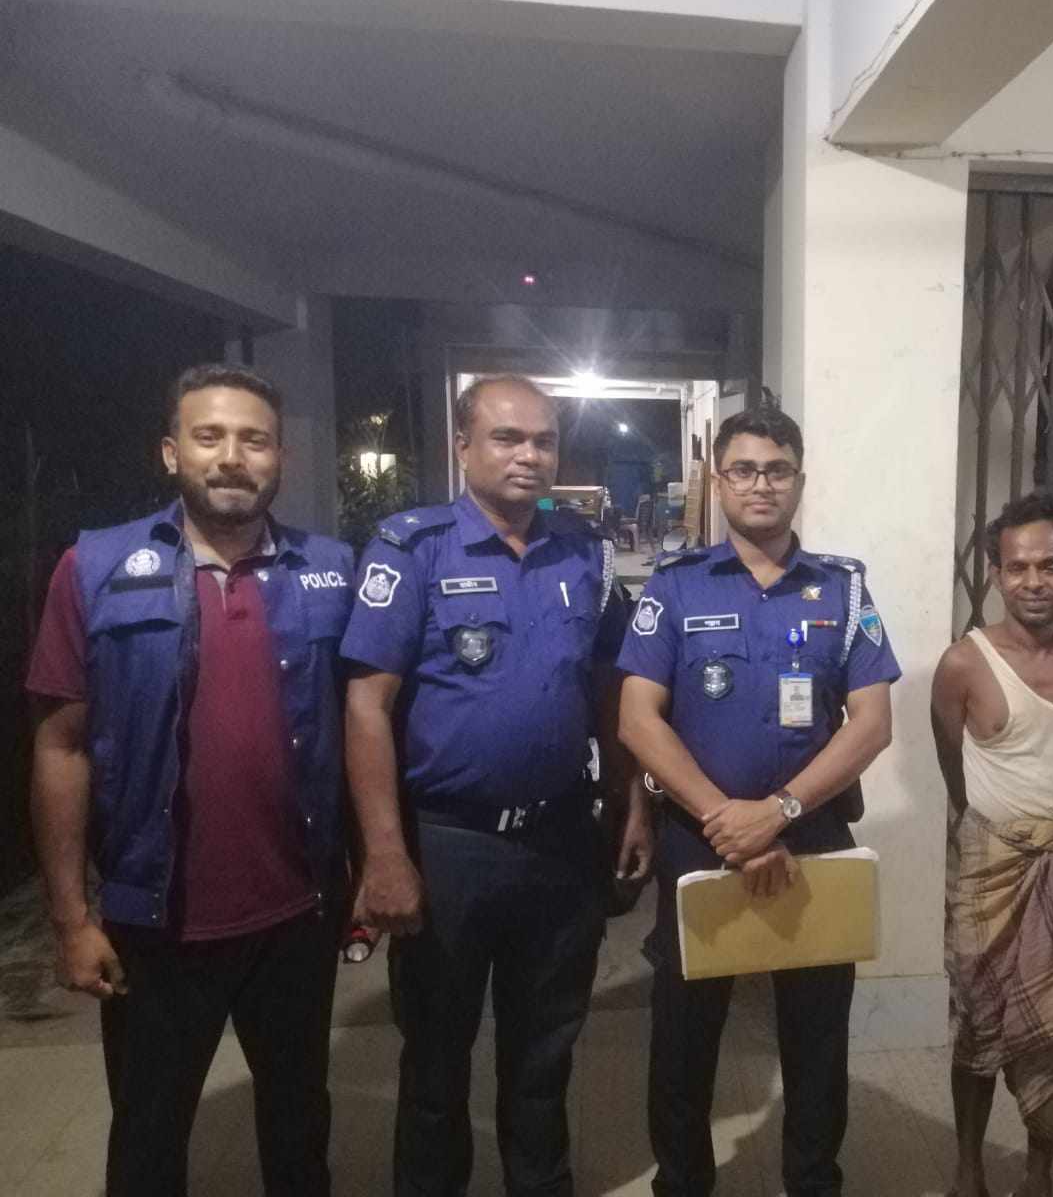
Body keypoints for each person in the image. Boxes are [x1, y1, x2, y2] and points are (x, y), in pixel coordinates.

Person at [27, 363, 354, 1197]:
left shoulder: (331, 569)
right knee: (148, 1137)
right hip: (155, 921)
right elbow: (61, 747)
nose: (232, 457)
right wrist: (70, 919)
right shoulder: (95, 566)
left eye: (254, 439)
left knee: (300, 1128)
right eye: (209, 437)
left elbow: (363, 730)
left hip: (297, 916)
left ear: (280, 458)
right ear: (172, 452)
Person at [339, 373, 651, 1197]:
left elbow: (610, 687)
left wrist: (630, 801)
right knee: (435, 1061)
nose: (529, 455)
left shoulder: (583, 551)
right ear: (463, 445)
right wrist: (383, 856)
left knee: (546, 1054)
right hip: (449, 846)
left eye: (543, 440)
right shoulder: (413, 549)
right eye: (507, 437)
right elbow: (367, 707)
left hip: (559, 839)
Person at [617, 405, 898, 1197]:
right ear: (719, 481)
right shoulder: (674, 586)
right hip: (698, 842)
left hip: (810, 839)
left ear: (799, 481)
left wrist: (775, 812)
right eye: (743, 469)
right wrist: (725, 820)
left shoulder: (843, 587)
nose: (761, 484)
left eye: (777, 470)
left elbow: (872, 722)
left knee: (816, 1040)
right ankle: (682, 1183)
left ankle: (812, 1182)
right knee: (684, 1039)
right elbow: (637, 718)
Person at [931, 489, 1053, 1197]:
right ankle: (968, 1170)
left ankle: (1039, 1173)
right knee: (978, 1023)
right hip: (991, 868)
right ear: (994, 573)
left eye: (1049, 566)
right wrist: (997, 830)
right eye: (1016, 568)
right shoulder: (963, 664)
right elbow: (951, 765)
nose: (1032, 582)